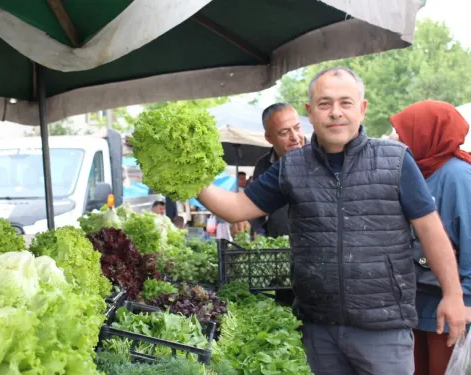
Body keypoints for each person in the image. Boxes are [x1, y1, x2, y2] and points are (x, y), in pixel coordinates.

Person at [195, 67, 467, 374]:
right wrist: (188, 180)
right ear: (310, 112)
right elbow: (237, 207)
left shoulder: (395, 159)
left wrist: (454, 295)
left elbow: (431, 230)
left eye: (345, 103)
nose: (335, 112)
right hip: (319, 329)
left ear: (362, 109)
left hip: (384, 329)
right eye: (325, 104)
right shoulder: (292, 166)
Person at [389, 100, 471, 375]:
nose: (399, 140)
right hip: (415, 303)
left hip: (450, 306)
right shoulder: (418, 171)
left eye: (405, 132)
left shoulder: (459, 176)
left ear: (426, 133)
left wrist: (467, 301)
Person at [249, 102, 306, 306]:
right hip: (280, 260)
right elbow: (255, 207)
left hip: (316, 260)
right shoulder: (263, 166)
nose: (295, 137)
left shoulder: (320, 156)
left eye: (297, 128)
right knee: (285, 313)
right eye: (284, 132)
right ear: (269, 138)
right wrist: (253, 227)